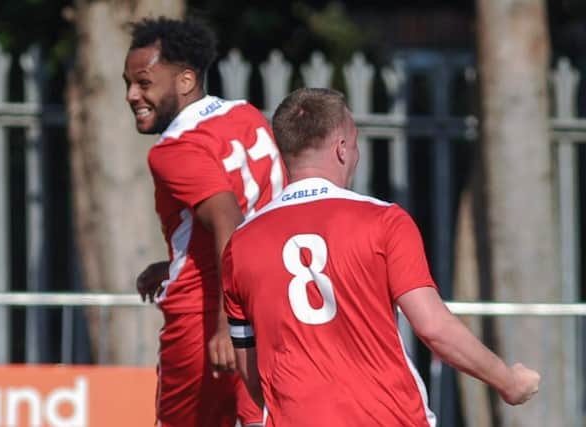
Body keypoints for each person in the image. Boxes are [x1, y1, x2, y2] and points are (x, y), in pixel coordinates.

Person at [221, 88, 540, 427]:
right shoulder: (383, 221)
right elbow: (433, 328)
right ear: (342, 149)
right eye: (355, 142)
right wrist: (508, 381)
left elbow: (250, 372)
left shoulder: (240, 244)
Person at [123, 16, 286, 427]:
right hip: (270, 307)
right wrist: (178, 261)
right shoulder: (245, 116)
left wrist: (225, 325)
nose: (131, 95)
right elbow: (254, 212)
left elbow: (229, 220)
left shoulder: (175, 148)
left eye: (144, 83)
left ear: (185, 80)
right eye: (128, 82)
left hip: (204, 320)